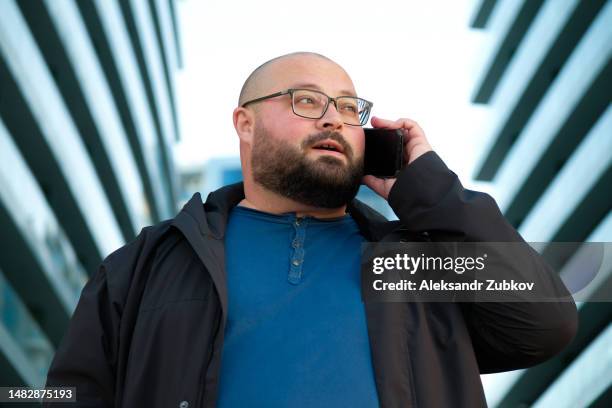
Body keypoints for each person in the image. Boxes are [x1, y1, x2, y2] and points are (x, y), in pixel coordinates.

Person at [45, 52, 578, 407]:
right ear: (244, 123)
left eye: (349, 108)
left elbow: (541, 325)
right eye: (307, 101)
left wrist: (429, 187)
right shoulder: (146, 264)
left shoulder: (409, 262)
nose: (333, 119)